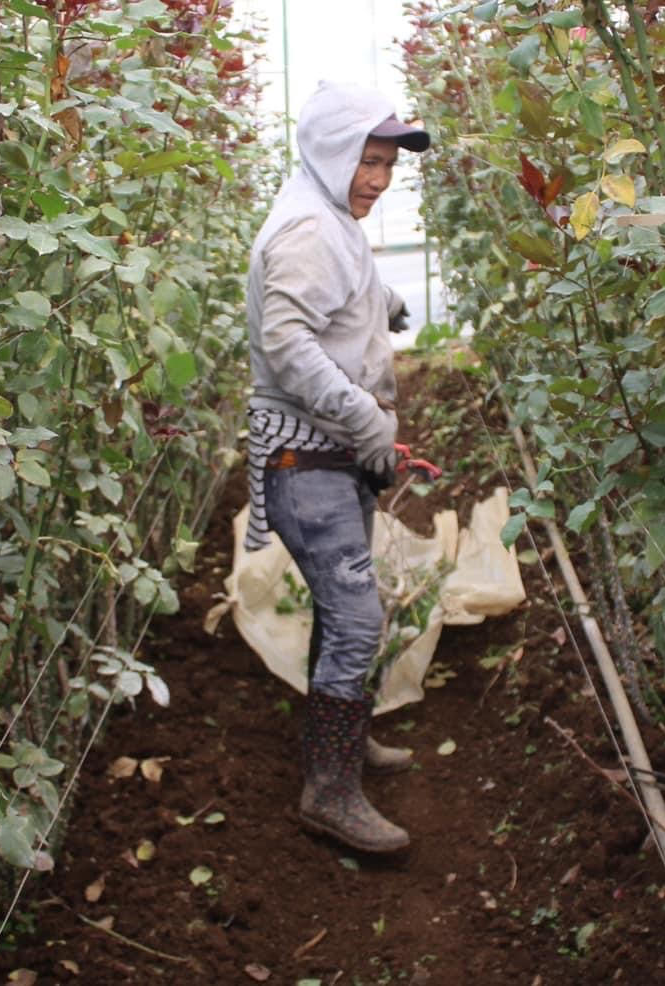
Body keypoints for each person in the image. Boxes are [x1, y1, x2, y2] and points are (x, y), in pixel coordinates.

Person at [243, 82, 429, 853]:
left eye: (387, 164)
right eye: (368, 161)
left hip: (328, 456)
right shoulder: (310, 231)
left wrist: (385, 306)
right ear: (330, 153)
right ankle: (329, 791)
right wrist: (370, 421)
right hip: (306, 460)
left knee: (339, 606)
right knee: (356, 614)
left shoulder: (330, 217)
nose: (379, 180)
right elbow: (289, 347)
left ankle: (345, 747)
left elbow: (332, 296)